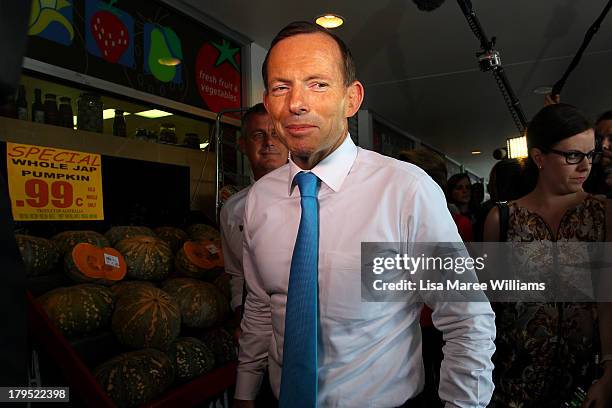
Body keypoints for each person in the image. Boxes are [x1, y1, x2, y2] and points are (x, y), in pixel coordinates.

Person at [235, 21, 496, 408]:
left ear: (352, 99)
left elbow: (466, 317)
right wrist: (244, 392)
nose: (296, 102)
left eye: (318, 84)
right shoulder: (258, 201)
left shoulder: (404, 190)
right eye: (281, 87)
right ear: (268, 101)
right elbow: (260, 305)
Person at [483, 104, 612, 407]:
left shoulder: (603, 214)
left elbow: (607, 301)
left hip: (583, 382)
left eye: (590, 155)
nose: (585, 166)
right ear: (539, 158)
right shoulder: (502, 218)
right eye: (572, 156)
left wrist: (609, 371)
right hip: (512, 382)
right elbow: (489, 307)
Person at [219, 102, 289, 338]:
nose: (269, 142)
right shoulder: (232, 210)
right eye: (258, 135)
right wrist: (241, 312)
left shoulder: (317, 197)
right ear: (242, 145)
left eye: (276, 134)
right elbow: (237, 274)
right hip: (257, 332)